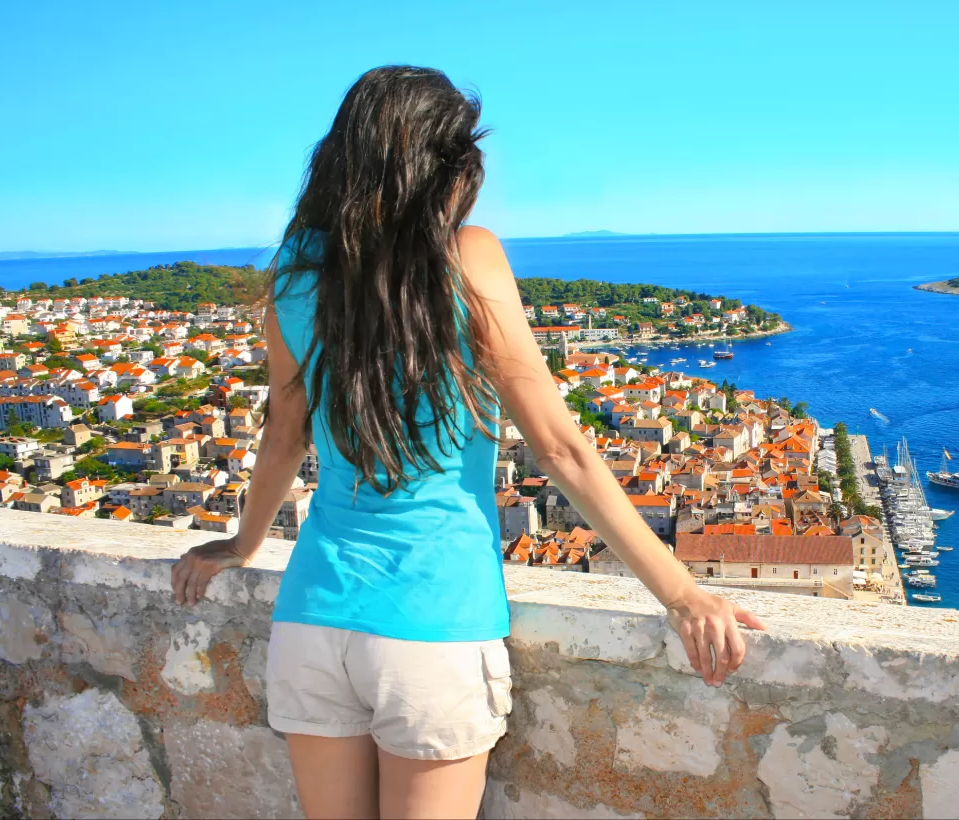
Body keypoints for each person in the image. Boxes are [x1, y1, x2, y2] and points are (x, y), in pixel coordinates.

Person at [171, 66, 763, 820]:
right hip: (433, 623)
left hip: (313, 617)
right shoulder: (467, 255)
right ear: (443, 168)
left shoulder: (295, 271)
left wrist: (242, 544)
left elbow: (283, 435)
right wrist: (681, 595)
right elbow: (559, 446)